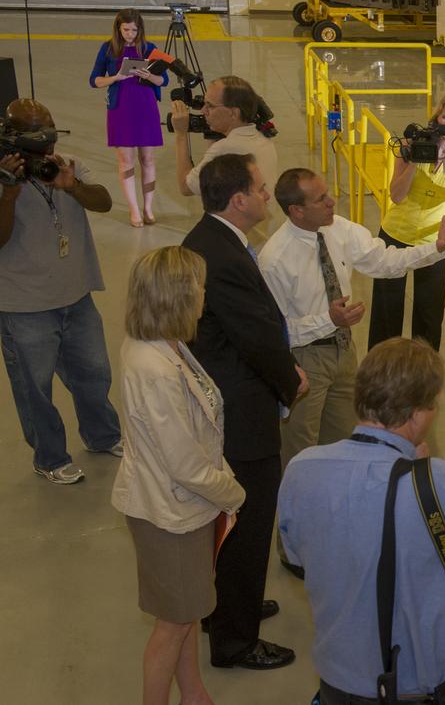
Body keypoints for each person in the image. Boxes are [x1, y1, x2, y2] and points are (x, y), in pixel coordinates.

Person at [279, 338, 445, 704]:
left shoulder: (301, 470)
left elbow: (296, 555)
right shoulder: (437, 484)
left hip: (338, 683)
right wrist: (423, 470)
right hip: (415, 688)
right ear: (416, 415)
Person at [259, 167, 445, 576]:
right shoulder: (274, 259)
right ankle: (294, 548)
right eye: (320, 199)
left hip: (343, 355)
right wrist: (327, 320)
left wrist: (435, 248)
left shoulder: (339, 230)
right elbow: (275, 330)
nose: (331, 201)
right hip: (302, 361)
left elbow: (384, 260)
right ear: (296, 211)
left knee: (346, 448)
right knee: (300, 457)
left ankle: (339, 531)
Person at [182, 153, 304, 671]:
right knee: (248, 523)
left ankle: (232, 605)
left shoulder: (211, 241)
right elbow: (256, 335)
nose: (266, 195)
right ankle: (236, 640)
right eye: (259, 189)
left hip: (224, 401)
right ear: (237, 200)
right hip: (242, 413)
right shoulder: (225, 258)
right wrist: (290, 380)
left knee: (231, 522)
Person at [112, 246, 245, 705]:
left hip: (182, 507)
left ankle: (192, 692)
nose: (205, 293)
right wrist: (233, 492)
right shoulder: (153, 368)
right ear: (177, 296)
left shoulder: (166, 344)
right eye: (199, 286)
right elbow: (184, 464)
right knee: (172, 625)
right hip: (170, 515)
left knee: (185, 612)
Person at [0, 98, 122, 484]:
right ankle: (50, 458)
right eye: (37, 133)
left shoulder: (67, 165)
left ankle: (103, 436)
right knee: (35, 390)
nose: (47, 142)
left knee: (95, 374)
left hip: (77, 296)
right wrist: (9, 193)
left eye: (50, 129)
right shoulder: (3, 178)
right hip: (24, 306)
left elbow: (104, 202)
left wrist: (73, 187)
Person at [368, 93, 445, 351]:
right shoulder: (412, 145)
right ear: (436, 119)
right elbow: (396, 196)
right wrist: (416, 161)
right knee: (387, 312)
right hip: (395, 234)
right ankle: (382, 367)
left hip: (434, 242)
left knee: (428, 316)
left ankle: (423, 370)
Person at [89, 9, 168, 227]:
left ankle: (148, 207)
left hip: (145, 107)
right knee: (126, 160)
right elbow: (94, 80)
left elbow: (164, 80)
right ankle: (134, 209)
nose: (130, 34)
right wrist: (116, 77)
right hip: (120, 108)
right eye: (126, 29)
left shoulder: (150, 48)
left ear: (140, 29)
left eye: (134, 30)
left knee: (148, 159)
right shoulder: (108, 48)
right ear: (118, 28)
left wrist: (149, 75)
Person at [172, 75, 278, 204]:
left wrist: (181, 133)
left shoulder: (226, 148)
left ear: (233, 113)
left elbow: (186, 187)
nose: (203, 110)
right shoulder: (263, 138)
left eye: (210, 106)